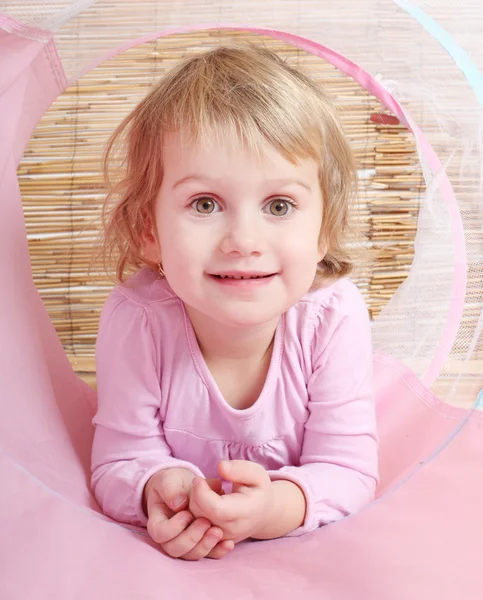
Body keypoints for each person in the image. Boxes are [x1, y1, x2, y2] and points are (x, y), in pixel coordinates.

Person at [91, 43, 378, 562]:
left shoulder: (332, 317)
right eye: (205, 203)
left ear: (324, 232)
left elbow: (348, 469)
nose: (244, 239)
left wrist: (276, 509)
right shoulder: (137, 320)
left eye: (279, 205)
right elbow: (117, 460)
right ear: (147, 230)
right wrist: (159, 486)